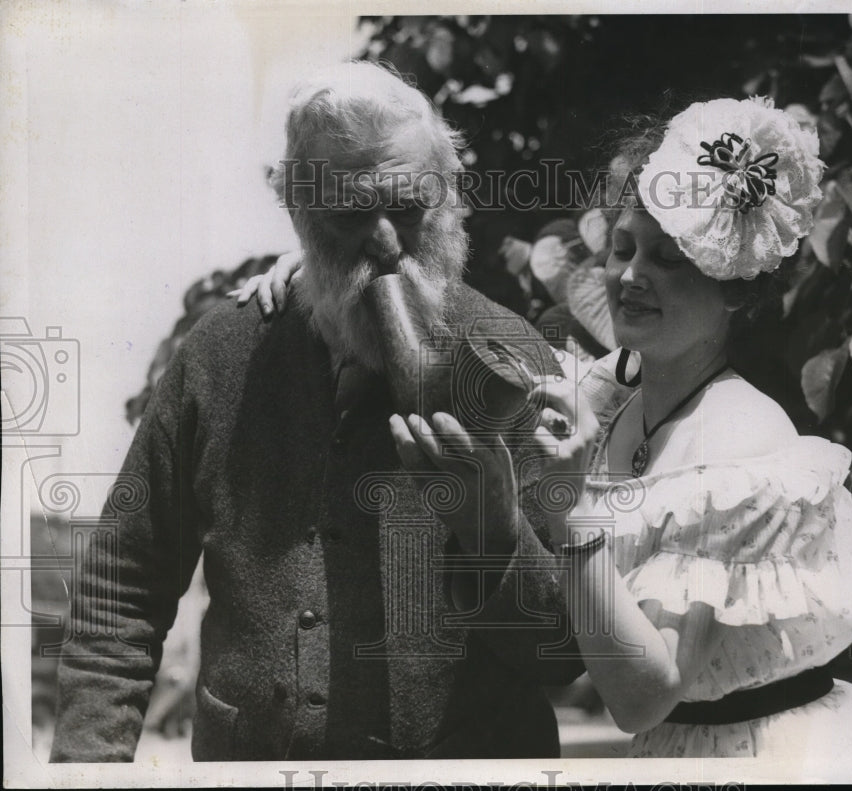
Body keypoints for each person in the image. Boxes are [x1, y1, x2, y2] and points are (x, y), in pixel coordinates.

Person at [247, 94, 852, 767]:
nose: (630, 275)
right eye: (623, 247)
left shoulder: (738, 441)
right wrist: (331, 266)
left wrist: (572, 510)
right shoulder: (614, 387)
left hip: (762, 755)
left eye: (669, 258)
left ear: (731, 285)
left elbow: (640, 695)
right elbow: (472, 336)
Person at [50, 61, 581, 763]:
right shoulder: (221, 353)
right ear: (297, 209)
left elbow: (565, 654)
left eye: (410, 204)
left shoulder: (517, 364)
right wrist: (88, 771)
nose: (387, 242)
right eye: (352, 212)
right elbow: (124, 585)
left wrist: (494, 532)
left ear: (451, 197)